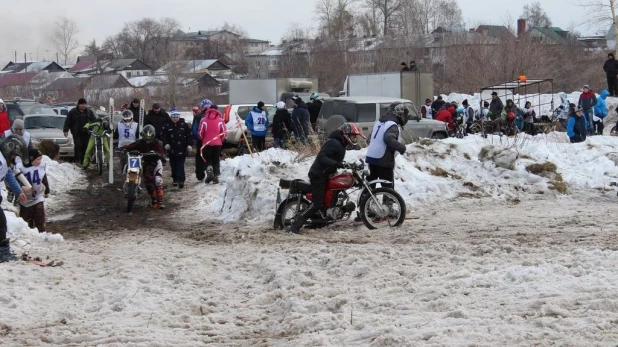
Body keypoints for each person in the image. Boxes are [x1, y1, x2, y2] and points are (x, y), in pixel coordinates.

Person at [286, 123, 365, 234]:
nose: (354, 138)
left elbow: (333, 158)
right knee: (317, 203)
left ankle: (323, 218)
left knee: (330, 196)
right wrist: (337, 164)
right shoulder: (333, 143)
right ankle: (295, 226)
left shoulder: (340, 143)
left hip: (325, 174)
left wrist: (344, 164)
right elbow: (322, 157)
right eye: (353, 136)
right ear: (346, 134)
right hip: (318, 175)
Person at [0, 135, 29, 262]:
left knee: (1, 223)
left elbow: (8, 174)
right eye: (14, 156)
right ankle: (2, 253)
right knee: (1, 223)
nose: (14, 159)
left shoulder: (5, 162)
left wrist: (18, 190)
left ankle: (3, 251)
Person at [365, 102, 407, 191]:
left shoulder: (379, 123)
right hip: (384, 159)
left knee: (370, 184)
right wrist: (401, 147)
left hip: (372, 157)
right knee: (387, 186)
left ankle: (365, 202)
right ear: (399, 113)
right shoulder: (392, 124)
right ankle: (388, 203)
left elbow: (369, 139)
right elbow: (388, 139)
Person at [124, 125, 167, 209]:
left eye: (149, 136)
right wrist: (123, 148)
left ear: (153, 135)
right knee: (148, 182)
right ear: (143, 135)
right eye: (146, 136)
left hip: (155, 163)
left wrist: (156, 153)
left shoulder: (158, 143)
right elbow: (130, 146)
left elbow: (162, 154)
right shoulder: (139, 142)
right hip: (144, 163)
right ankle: (154, 200)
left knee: (158, 180)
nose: (147, 138)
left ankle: (160, 201)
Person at [16, 149, 49, 234]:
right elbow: (13, 180)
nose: (40, 161)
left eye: (40, 159)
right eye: (37, 159)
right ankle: (29, 235)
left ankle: (42, 234)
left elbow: (43, 177)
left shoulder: (41, 165)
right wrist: (21, 187)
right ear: (31, 159)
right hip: (25, 198)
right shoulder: (20, 167)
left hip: (38, 196)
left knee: (40, 218)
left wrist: (47, 190)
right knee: (26, 222)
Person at [162, 108, 192, 188]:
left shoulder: (184, 125)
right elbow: (163, 137)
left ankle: (181, 180)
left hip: (182, 148)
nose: (175, 118)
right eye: (173, 117)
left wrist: (189, 145)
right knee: (173, 165)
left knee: (180, 165)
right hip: (171, 149)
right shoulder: (167, 126)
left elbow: (189, 136)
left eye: (176, 117)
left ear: (179, 117)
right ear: (171, 117)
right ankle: (175, 179)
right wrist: (166, 144)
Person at [198, 105, 227, 184]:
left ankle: (209, 170)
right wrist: (220, 140)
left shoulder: (203, 120)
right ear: (217, 110)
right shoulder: (220, 120)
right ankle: (216, 175)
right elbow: (224, 132)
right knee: (216, 159)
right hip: (218, 143)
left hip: (206, 143)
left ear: (209, 109)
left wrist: (203, 139)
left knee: (207, 158)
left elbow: (200, 132)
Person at [63, 98, 95, 164]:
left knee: (86, 147)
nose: (84, 106)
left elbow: (94, 120)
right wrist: (65, 130)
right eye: (82, 104)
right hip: (77, 133)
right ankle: (77, 161)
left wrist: (93, 127)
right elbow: (67, 122)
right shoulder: (73, 112)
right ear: (79, 105)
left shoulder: (89, 112)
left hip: (86, 133)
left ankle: (85, 162)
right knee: (78, 146)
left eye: (85, 104)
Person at [114, 110, 139, 175]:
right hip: (122, 147)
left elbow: (138, 136)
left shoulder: (136, 125)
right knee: (124, 162)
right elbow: (115, 136)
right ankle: (124, 176)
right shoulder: (119, 125)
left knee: (133, 163)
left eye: (128, 120)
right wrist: (111, 132)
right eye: (125, 120)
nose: (127, 121)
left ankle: (134, 176)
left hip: (133, 147)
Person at [193, 100, 211, 181]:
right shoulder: (216, 115)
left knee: (200, 157)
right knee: (211, 156)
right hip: (212, 141)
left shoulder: (198, 116)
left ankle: (200, 175)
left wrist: (197, 138)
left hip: (201, 141)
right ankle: (212, 171)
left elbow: (194, 130)